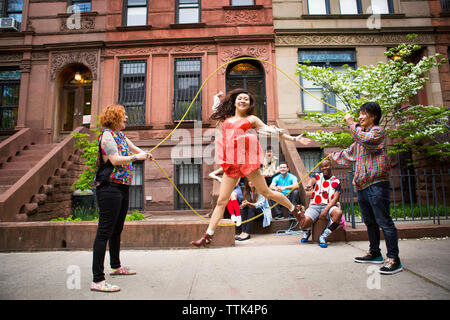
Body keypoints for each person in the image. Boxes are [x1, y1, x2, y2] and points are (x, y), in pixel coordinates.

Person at [191, 88, 309, 248]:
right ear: (234, 101)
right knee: (221, 201)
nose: (242, 101)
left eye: (246, 99)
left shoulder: (252, 119)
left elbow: (272, 131)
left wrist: (293, 138)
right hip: (231, 161)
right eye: (240, 98)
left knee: (266, 192)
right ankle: (207, 236)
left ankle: (295, 210)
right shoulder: (226, 117)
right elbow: (215, 110)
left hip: (246, 159)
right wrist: (215, 99)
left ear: (249, 103)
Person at [331, 102, 402, 275]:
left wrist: (350, 123)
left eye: (364, 114)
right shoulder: (359, 138)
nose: (360, 117)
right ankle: (375, 253)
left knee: (384, 222)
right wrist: (331, 156)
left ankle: (394, 259)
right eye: (359, 114)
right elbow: (348, 153)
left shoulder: (377, 132)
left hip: (377, 184)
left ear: (374, 116)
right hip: (362, 185)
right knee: (369, 222)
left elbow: (364, 139)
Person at [91, 104, 153, 292]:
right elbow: (116, 159)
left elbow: (135, 150)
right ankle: (97, 280)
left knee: (117, 229)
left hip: (122, 187)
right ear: (115, 117)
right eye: (124, 115)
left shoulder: (120, 136)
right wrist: (137, 157)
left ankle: (116, 266)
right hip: (109, 187)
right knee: (104, 231)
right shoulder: (107, 135)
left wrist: (145, 154)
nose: (127, 118)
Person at [297, 158, 343, 248]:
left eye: (326, 166)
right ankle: (307, 231)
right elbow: (312, 180)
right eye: (322, 167)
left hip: (329, 206)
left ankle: (323, 236)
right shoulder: (317, 176)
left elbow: (335, 198)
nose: (324, 168)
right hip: (315, 206)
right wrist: (310, 184)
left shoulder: (336, 181)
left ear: (331, 166)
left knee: (338, 213)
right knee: (303, 222)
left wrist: (326, 209)